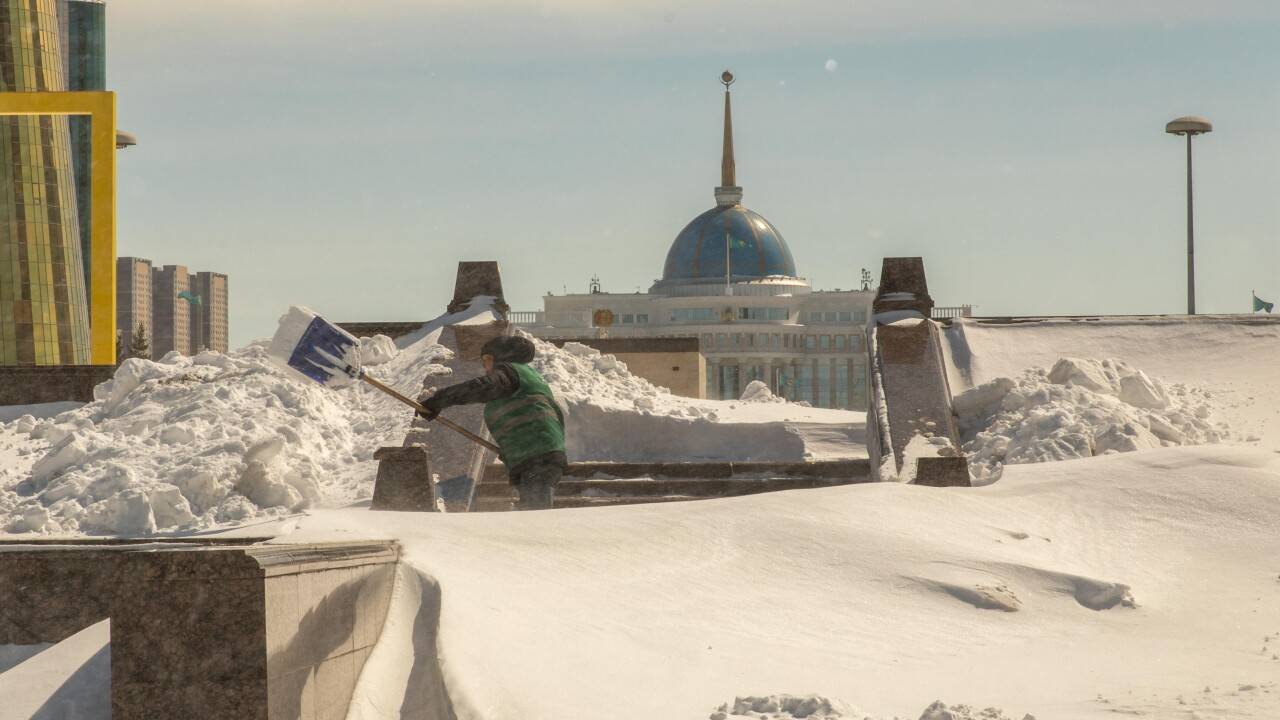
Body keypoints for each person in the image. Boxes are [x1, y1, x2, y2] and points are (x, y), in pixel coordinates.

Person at [416, 336, 566, 510]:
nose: (485, 367)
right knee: (532, 512)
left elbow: (481, 387)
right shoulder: (529, 377)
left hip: (537, 456)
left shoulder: (510, 372)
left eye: (487, 360)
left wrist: (439, 400)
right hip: (538, 454)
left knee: (536, 516)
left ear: (501, 358)